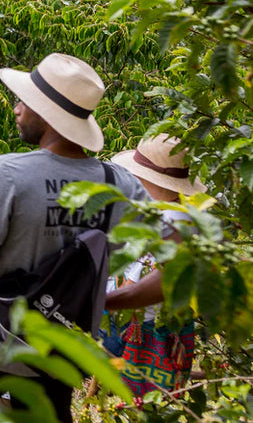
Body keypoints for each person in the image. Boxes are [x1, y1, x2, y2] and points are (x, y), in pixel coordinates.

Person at [0, 53, 147, 423]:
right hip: (58, 351)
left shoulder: (9, 172)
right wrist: (105, 302)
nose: (16, 109)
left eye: (24, 101)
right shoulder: (121, 185)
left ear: (47, 114)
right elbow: (176, 267)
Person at [102, 133, 206, 399]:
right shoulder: (181, 213)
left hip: (136, 323)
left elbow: (141, 283)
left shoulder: (168, 221)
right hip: (157, 320)